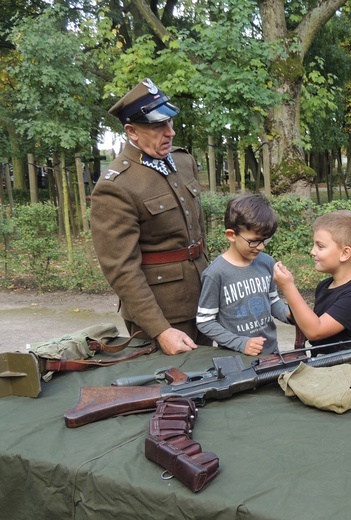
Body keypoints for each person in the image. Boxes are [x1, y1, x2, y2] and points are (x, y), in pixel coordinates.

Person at [91, 78, 210, 355]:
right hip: (162, 311)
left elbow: (199, 233)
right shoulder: (116, 186)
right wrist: (160, 329)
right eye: (158, 126)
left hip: (203, 298)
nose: (170, 132)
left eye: (169, 122)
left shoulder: (182, 161)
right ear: (132, 131)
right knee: (167, 390)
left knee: (211, 380)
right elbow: (122, 269)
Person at [196, 194, 292, 355]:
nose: (260, 247)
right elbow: (205, 322)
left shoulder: (266, 262)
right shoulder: (215, 273)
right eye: (254, 241)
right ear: (231, 235)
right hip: (235, 358)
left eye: (265, 240)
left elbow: (272, 300)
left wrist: (290, 315)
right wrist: (241, 343)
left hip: (271, 354)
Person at [273, 210, 351, 350]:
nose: (312, 251)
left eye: (320, 246)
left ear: (345, 253)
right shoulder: (324, 285)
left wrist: (288, 287)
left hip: (345, 368)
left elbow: (315, 331)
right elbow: (311, 322)